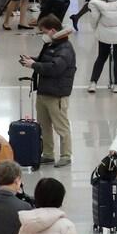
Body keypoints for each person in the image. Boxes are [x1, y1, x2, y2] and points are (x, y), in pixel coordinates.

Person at [23, 14, 76, 166]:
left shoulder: (65, 48)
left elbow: (55, 68)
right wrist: (32, 60)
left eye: (44, 31)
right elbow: (46, 60)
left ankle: (66, 155)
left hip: (57, 94)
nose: (43, 35)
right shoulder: (52, 44)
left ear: (52, 30)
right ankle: (48, 153)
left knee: (61, 127)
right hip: (44, 91)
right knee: (44, 126)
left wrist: (34, 65)